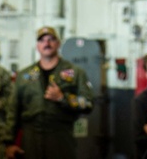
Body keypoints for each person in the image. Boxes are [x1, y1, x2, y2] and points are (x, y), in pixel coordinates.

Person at [5, 27, 94, 159]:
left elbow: (88, 103)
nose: (47, 43)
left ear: (58, 44)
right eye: (42, 40)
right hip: (31, 137)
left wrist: (63, 98)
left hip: (60, 136)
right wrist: (9, 143)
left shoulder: (75, 72)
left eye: (51, 39)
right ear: (37, 46)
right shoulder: (25, 75)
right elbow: (13, 110)